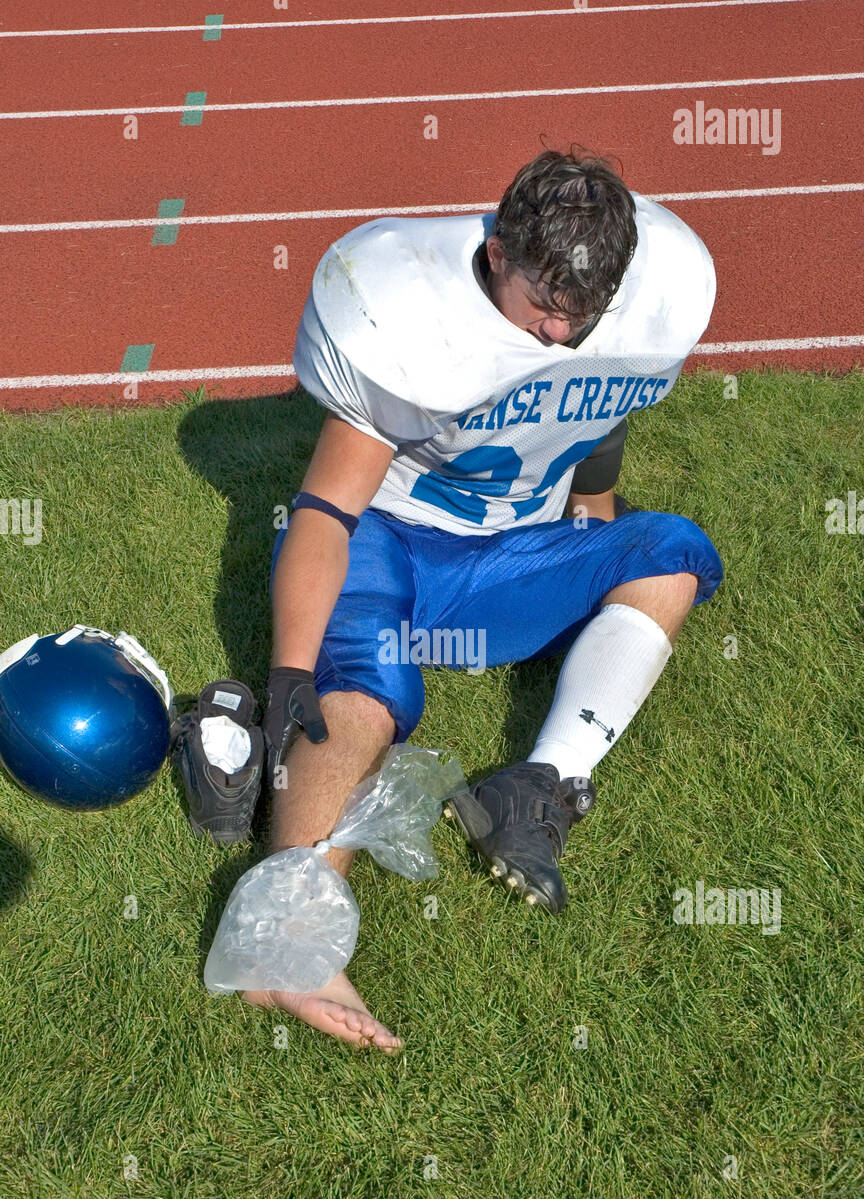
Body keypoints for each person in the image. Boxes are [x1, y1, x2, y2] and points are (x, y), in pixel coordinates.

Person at [246, 147, 723, 1051]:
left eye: (580, 314)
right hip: (390, 542)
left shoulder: (623, 302)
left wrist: (591, 534)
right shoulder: (404, 308)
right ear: (497, 252)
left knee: (669, 553)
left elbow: (598, 410)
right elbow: (324, 510)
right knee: (365, 694)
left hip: (510, 554)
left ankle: (538, 784)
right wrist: (290, 670)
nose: (556, 332)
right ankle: (293, 943)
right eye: (544, 306)